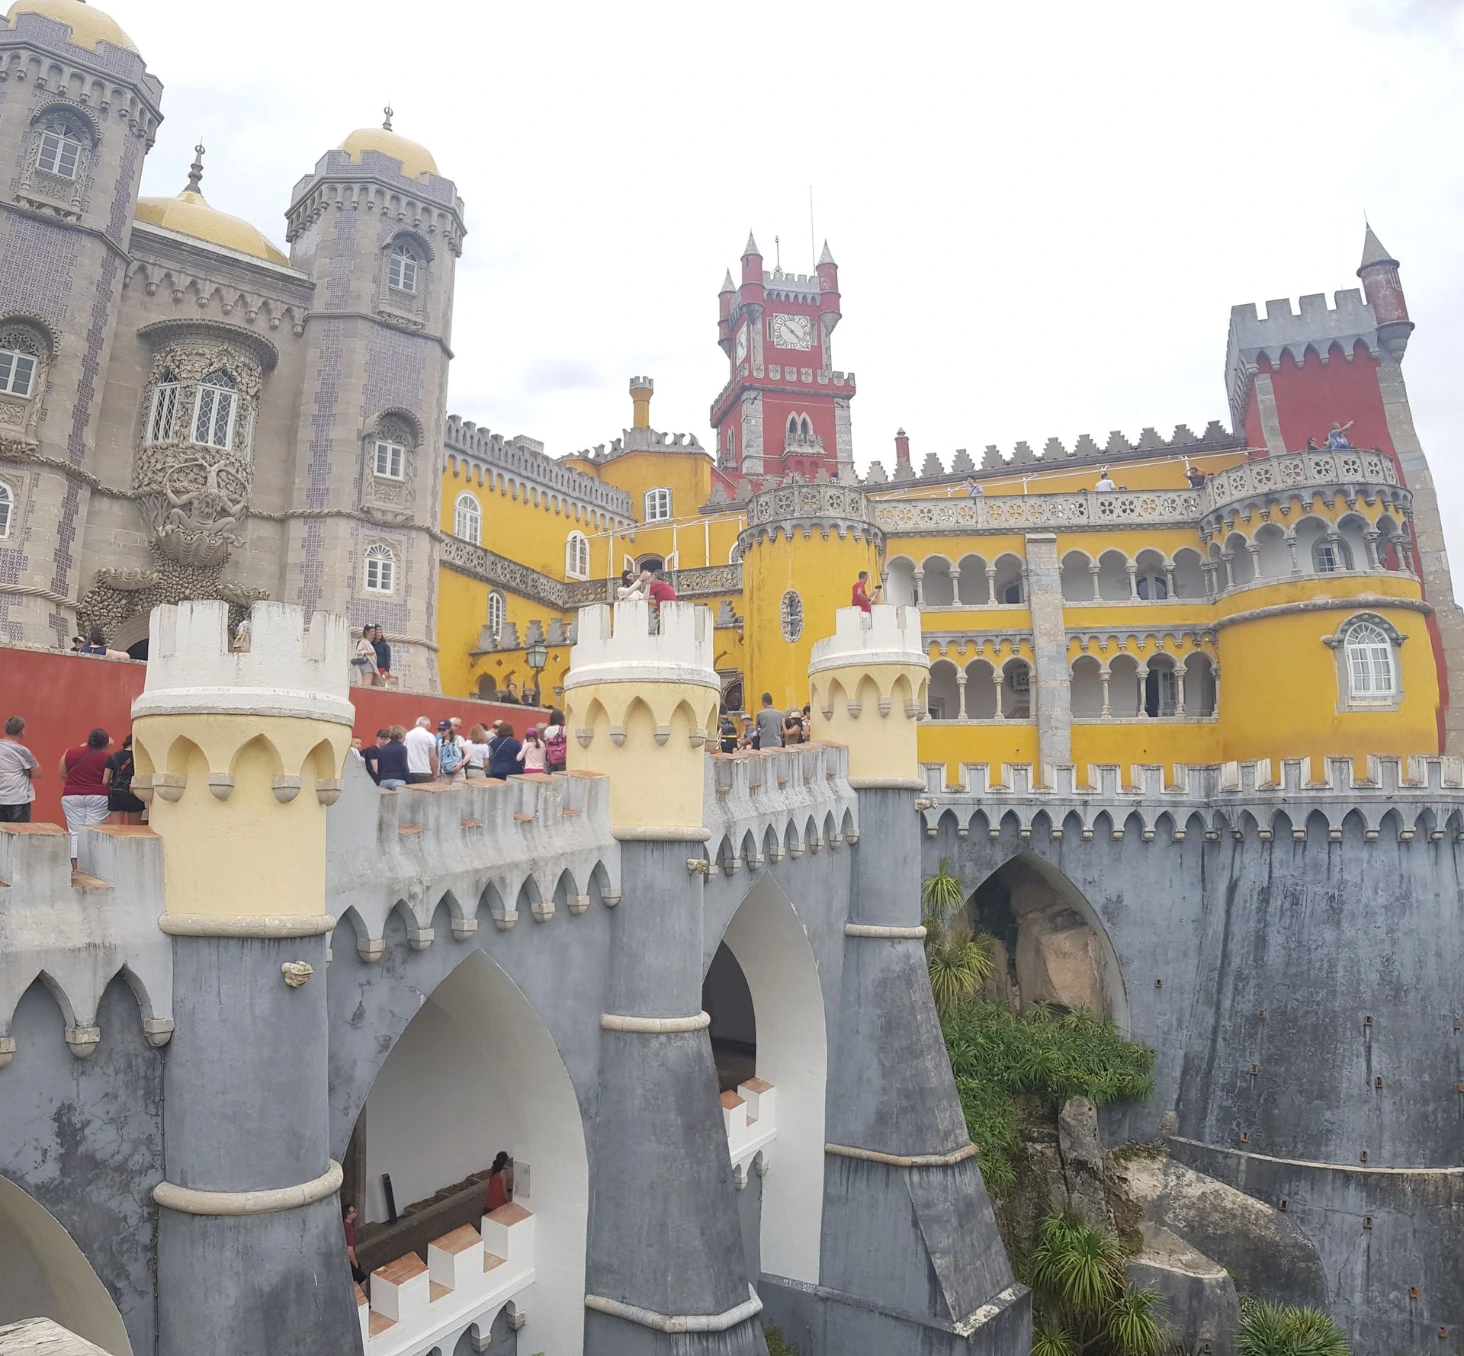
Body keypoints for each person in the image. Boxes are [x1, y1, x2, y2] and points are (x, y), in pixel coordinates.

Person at [60, 728, 111, 868]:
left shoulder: (70, 752)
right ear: (105, 744)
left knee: (75, 832)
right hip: (98, 796)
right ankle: (93, 868)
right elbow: (110, 778)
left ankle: (76, 868)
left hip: (72, 795)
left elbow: (63, 774)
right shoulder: (107, 758)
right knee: (93, 831)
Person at [0, 716, 40, 823]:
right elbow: (37, 772)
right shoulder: (21, 750)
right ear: (22, 730)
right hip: (17, 800)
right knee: (19, 836)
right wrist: (26, 772)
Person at [104, 734, 146, 824]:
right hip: (134, 794)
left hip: (117, 794)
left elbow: (105, 781)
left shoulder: (113, 757)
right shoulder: (140, 758)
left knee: (117, 829)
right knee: (134, 830)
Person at [403, 716, 437, 784]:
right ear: (428, 725)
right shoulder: (430, 736)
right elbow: (432, 757)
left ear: (416, 724)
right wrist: (435, 774)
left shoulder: (407, 735)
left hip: (409, 771)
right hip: (424, 771)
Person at [342, 1202, 366, 1286]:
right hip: (349, 1262)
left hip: (344, 1262)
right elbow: (350, 1250)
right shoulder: (349, 1230)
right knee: (362, 1280)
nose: (356, 1211)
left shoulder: (343, 1226)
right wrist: (355, 1263)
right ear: (348, 1216)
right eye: (354, 1211)